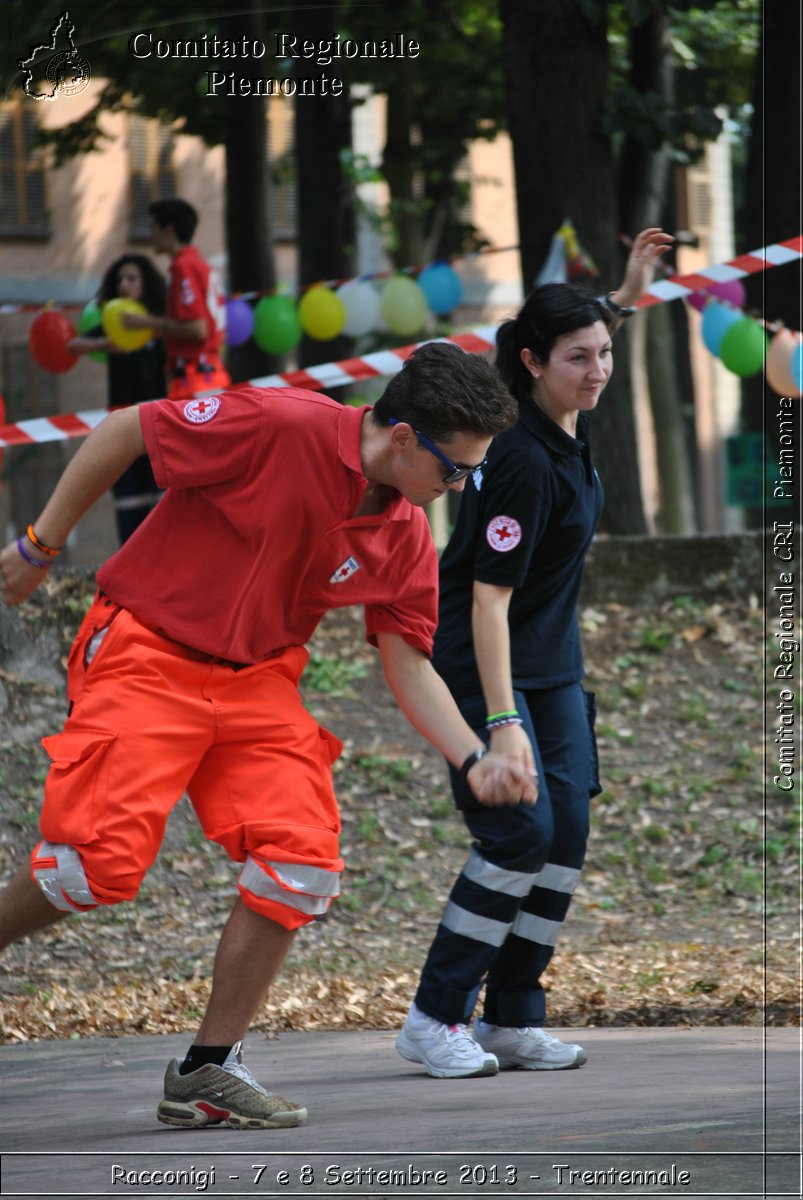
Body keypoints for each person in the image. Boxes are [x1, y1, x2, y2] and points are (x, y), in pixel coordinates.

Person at [0, 342, 536, 1131]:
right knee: (90, 869)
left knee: (300, 867)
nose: (458, 486)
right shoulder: (279, 424)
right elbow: (125, 430)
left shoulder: (403, 532)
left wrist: (472, 754)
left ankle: (206, 1071)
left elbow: (409, 664)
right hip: (147, 649)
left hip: (257, 681)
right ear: (400, 438)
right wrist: (40, 546)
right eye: (453, 470)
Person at [396, 229, 674, 1079]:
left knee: (565, 836)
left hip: (553, 665)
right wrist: (503, 720)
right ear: (531, 361)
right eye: (576, 358)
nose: (595, 371)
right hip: (483, 665)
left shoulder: (559, 417)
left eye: (602, 354)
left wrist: (621, 293)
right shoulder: (518, 460)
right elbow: (486, 599)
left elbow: (587, 336)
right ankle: (435, 1016)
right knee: (519, 832)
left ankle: (511, 1016)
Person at [67, 254, 167, 543]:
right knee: (128, 506)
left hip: (157, 425)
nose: (124, 284)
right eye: (120, 279)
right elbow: (72, 345)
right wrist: (103, 344)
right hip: (121, 427)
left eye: (131, 278)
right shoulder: (114, 321)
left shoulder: (158, 324)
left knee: (163, 505)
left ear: (145, 283)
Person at [121, 198, 230, 400]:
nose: (150, 235)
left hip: (194, 379)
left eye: (154, 228)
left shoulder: (184, 267)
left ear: (169, 232)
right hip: (206, 375)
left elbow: (197, 329)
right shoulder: (198, 264)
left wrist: (146, 323)